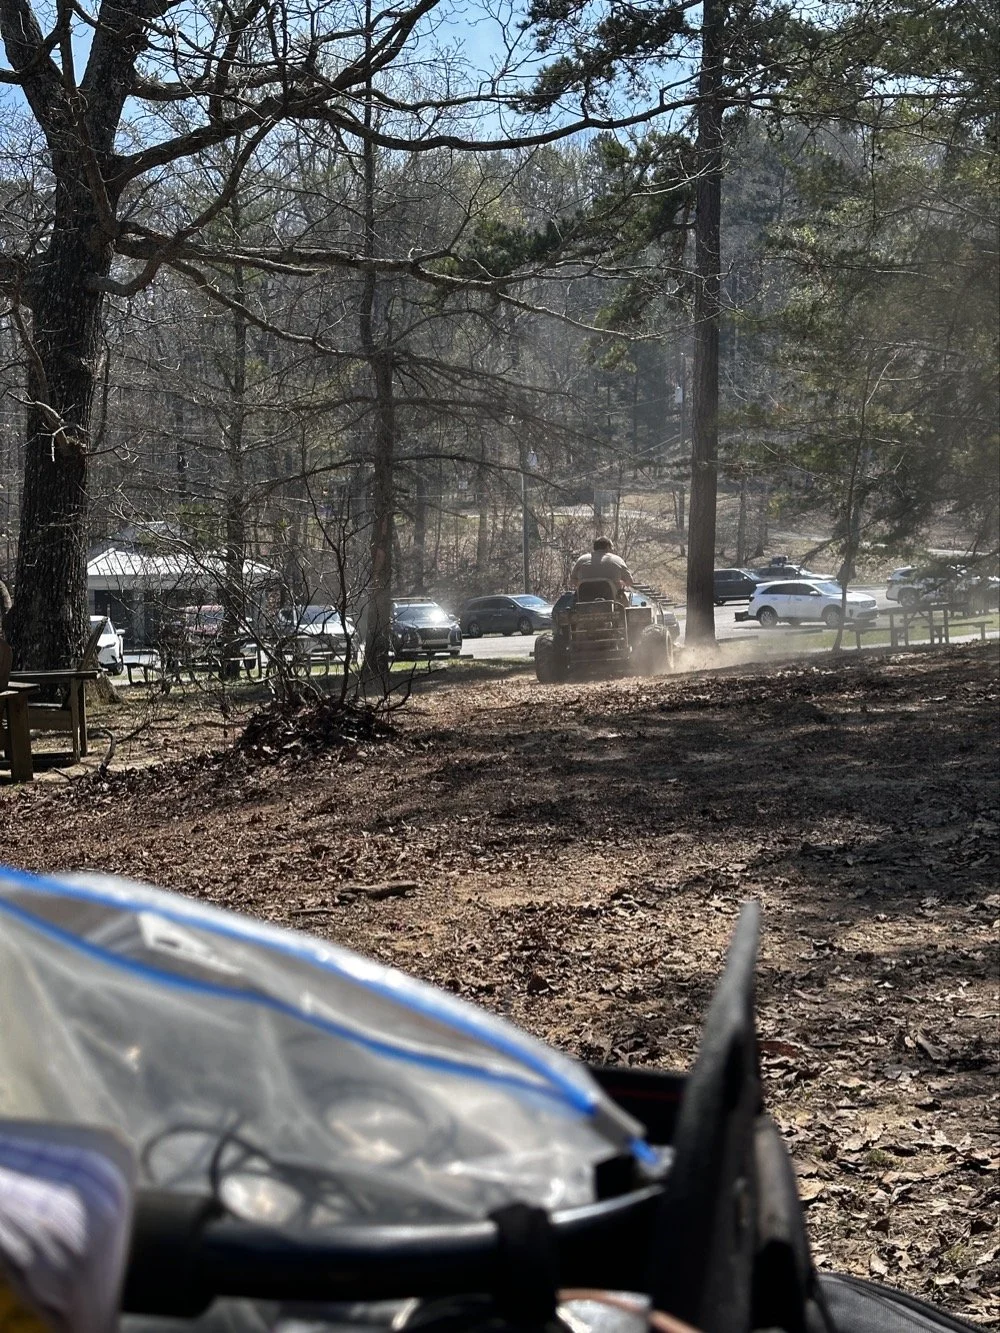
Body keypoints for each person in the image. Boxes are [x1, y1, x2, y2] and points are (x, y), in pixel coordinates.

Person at [570, 537, 635, 599]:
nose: (613, 550)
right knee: (624, 598)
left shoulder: (582, 559)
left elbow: (572, 581)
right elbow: (630, 581)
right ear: (608, 547)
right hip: (612, 601)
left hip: (584, 600)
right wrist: (620, 583)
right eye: (612, 547)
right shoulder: (617, 560)